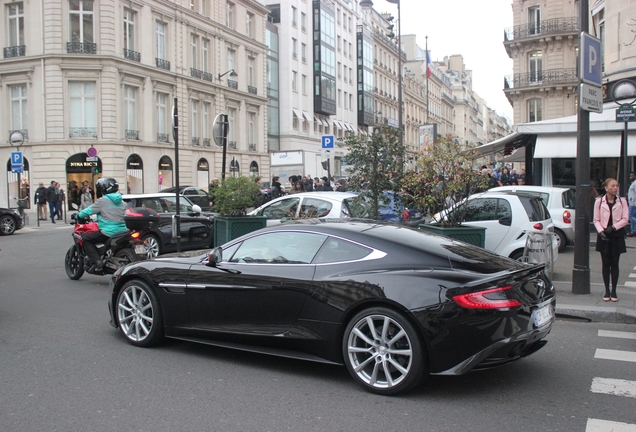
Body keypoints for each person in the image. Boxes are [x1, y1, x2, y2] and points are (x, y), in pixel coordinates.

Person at [77, 178, 127, 272]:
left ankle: (96, 262)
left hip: (108, 231)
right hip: (123, 231)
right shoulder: (122, 202)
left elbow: (89, 210)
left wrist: (78, 215)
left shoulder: (102, 201)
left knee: (86, 239)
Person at [593, 178, 629, 302]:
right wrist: (601, 231)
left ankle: (614, 291)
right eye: (613, 186)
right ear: (606, 188)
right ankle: (606, 290)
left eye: (616, 186)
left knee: (615, 263)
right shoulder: (599, 202)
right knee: (605, 264)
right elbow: (596, 219)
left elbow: (625, 219)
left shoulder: (622, 201)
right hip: (604, 235)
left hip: (616, 234)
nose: (615, 188)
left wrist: (613, 227)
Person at [628, 172, 636, 237]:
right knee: (633, 216)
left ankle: (633, 231)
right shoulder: (633, 183)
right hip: (632, 202)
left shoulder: (635, 183)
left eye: (632, 176)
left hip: (633, 203)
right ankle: (633, 231)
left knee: (630, 216)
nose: (630, 177)